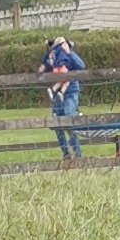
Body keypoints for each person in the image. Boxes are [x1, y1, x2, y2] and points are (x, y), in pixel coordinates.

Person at [39, 34, 88, 163]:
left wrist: (69, 53)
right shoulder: (55, 56)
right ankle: (66, 153)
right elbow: (47, 69)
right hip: (57, 95)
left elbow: (81, 66)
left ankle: (78, 155)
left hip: (70, 92)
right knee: (57, 123)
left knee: (68, 119)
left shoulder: (70, 56)